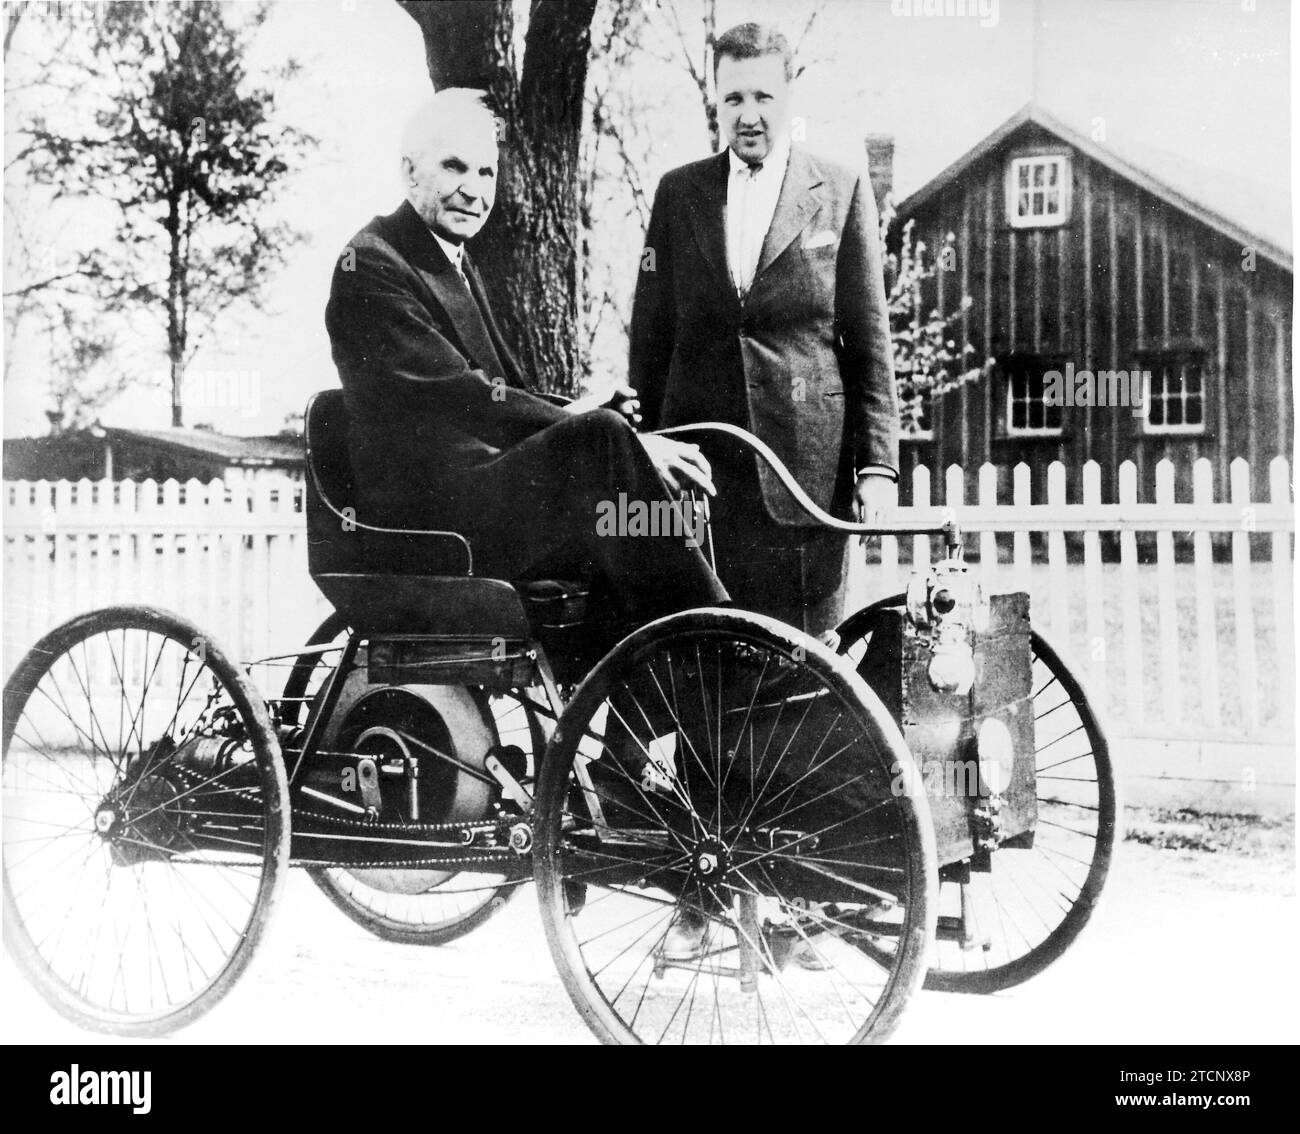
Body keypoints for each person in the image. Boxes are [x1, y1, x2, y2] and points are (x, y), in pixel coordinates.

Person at [325, 89, 728, 642]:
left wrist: (577, 408)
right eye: (453, 167)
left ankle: (657, 690)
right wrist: (609, 437)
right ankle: (717, 645)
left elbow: (501, 391)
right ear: (409, 171)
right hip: (423, 522)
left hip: (468, 500)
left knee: (625, 491)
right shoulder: (372, 263)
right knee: (607, 443)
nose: (473, 189)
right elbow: (462, 396)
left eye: (487, 172)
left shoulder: (452, 261)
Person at [629, 21, 899, 640]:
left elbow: (869, 341)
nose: (748, 115)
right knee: (698, 654)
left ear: (789, 95)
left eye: (762, 98)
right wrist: (646, 450)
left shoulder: (840, 189)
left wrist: (878, 468)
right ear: (717, 102)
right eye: (733, 99)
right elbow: (649, 341)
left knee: (803, 664)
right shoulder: (680, 194)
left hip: (804, 472)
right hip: (700, 470)